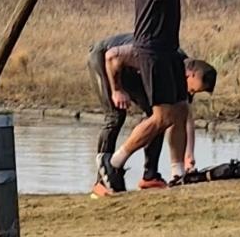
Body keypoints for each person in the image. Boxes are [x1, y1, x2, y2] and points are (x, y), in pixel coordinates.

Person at [110, 0, 213, 188]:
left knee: (180, 110)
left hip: (169, 51)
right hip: (152, 52)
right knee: (161, 117)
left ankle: (178, 174)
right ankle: (113, 164)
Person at [88, 34, 217, 195]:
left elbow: (185, 116)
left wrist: (188, 155)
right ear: (190, 74)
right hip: (106, 59)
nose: (190, 93)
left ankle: (150, 176)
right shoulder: (163, 58)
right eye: (192, 89)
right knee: (115, 117)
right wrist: (117, 90)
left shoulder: (178, 74)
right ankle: (102, 179)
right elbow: (112, 56)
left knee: (159, 115)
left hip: (133, 67)